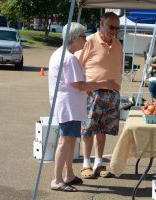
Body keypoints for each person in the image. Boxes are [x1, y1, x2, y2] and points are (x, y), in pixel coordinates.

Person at [48, 22, 118, 192]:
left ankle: (68, 174)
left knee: (70, 141)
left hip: (68, 104)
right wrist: (104, 83)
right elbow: (79, 85)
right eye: (82, 36)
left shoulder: (60, 54)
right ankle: (57, 179)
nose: (85, 40)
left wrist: (86, 89)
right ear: (73, 38)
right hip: (69, 105)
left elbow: (73, 84)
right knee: (65, 141)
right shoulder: (69, 58)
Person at [76, 12, 122, 179]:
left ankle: (98, 163)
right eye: (111, 27)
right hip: (92, 93)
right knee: (88, 129)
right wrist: (84, 86)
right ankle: (86, 164)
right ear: (102, 23)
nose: (114, 31)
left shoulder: (117, 44)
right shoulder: (89, 41)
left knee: (102, 130)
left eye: (117, 28)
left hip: (112, 94)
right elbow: (77, 65)